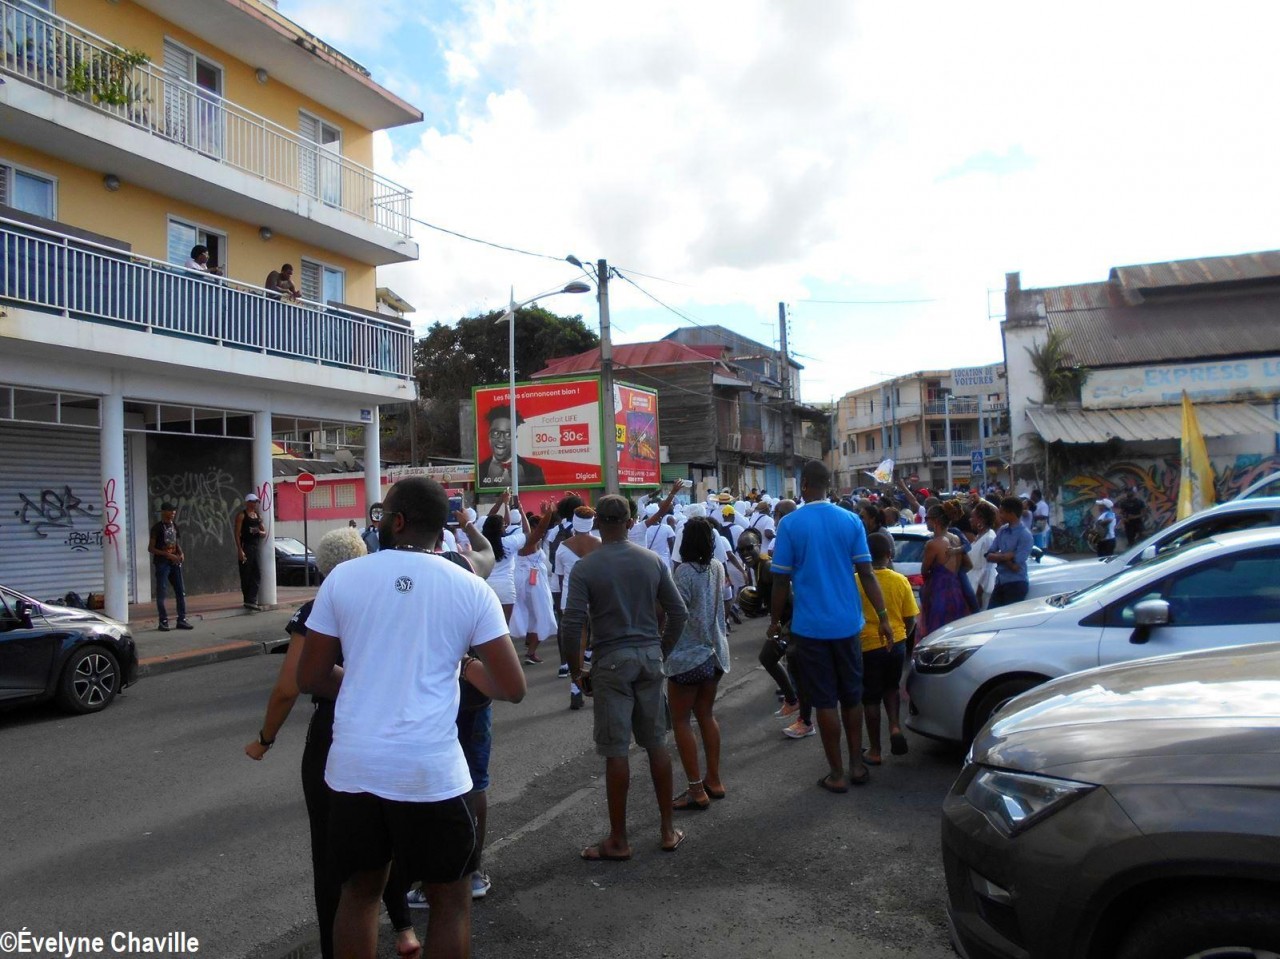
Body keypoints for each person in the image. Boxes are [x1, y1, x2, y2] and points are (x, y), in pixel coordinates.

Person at [296, 477, 526, 959]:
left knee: (359, 895)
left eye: (382, 514)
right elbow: (512, 688)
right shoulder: (470, 587)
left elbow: (311, 676)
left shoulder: (343, 578)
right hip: (430, 771)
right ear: (441, 526)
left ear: (396, 521)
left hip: (354, 768)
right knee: (450, 901)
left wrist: (365, 684)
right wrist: (463, 667)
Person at [243, 527, 431, 959]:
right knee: (387, 834)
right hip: (397, 727)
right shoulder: (391, 602)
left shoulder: (319, 609)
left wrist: (265, 739)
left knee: (332, 854)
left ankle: (336, 950)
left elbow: (289, 687)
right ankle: (404, 929)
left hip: (338, 732)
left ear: (323, 568)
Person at [561, 494, 689, 861]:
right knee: (656, 744)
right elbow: (678, 613)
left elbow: (572, 623)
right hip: (649, 657)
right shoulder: (652, 561)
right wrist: (660, 651)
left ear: (598, 523)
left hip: (610, 661)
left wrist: (576, 671)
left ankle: (619, 840)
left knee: (616, 751)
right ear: (630, 522)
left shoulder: (585, 567)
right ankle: (667, 830)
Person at [768, 461, 893, 793]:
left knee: (824, 702)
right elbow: (867, 574)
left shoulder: (790, 524)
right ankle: (857, 766)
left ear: (804, 484)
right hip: (848, 625)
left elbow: (779, 581)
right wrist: (883, 617)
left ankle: (836, 774)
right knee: (852, 698)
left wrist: (774, 622)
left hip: (810, 629)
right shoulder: (851, 520)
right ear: (828, 484)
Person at [664, 517, 730, 811]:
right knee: (706, 715)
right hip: (715, 653)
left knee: (680, 720)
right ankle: (713, 779)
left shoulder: (683, 572)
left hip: (688, 656)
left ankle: (695, 790)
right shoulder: (717, 567)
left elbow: (675, 613)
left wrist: (662, 645)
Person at [858, 532, 918, 765]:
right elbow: (911, 618)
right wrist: (903, 638)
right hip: (897, 643)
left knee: (870, 698)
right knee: (891, 688)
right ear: (889, 554)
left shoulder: (856, 580)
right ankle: (894, 726)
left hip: (867, 645)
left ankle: (874, 750)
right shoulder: (900, 580)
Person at [554, 505, 602, 709]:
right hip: (597, 598)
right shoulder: (600, 544)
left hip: (571, 599)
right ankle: (601, 686)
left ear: (574, 523)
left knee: (577, 645)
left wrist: (559, 605)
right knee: (599, 643)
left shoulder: (563, 547)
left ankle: (575, 688)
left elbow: (559, 578)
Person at [920, 504, 971, 637]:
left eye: (927, 518)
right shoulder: (956, 539)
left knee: (936, 636)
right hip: (956, 592)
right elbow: (968, 564)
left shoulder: (933, 544)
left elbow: (924, 570)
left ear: (936, 521)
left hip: (938, 594)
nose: (925, 521)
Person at [149, 502, 193, 632]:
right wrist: (167, 555)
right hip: (162, 563)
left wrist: (181, 553)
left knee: (180, 590)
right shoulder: (157, 528)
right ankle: (163, 621)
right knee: (162, 591)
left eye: (174, 511)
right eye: (170, 511)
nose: (173, 513)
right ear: (163, 512)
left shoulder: (174, 526)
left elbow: (176, 543)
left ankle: (182, 619)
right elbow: (151, 548)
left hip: (175, 563)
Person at [478, 406, 546, 487]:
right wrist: (489, 480)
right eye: (495, 433)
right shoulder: (479, 471)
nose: (501, 439)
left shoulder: (534, 471)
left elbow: (539, 494)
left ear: (515, 438)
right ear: (489, 436)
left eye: (508, 434)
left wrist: (522, 483)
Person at [986, 496, 1034, 608]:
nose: (999, 516)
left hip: (1016, 584)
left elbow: (1015, 567)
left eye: (1002, 512)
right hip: (1000, 582)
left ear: (1011, 513)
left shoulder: (1025, 535)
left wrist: (999, 556)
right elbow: (988, 555)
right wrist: (1006, 556)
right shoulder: (1002, 530)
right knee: (991, 614)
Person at [235, 492, 267, 609]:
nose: (254, 504)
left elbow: (264, 532)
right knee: (246, 574)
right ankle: (247, 600)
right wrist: (240, 550)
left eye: (255, 502)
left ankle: (252, 599)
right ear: (247, 503)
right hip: (246, 546)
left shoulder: (258, 516)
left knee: (256, 573)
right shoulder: (242, 515)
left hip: (255, 547)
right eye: (252, 502)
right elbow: (237, 534)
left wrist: (258, 531)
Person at [966, 500, 999, 611]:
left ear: (981, 519)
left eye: (973, 517)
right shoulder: (980, 536)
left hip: (981, 587)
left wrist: (979, 591)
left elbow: (987, 567)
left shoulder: (988, 538)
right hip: (973, 582)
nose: (970, 520)